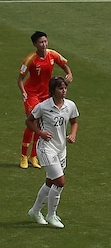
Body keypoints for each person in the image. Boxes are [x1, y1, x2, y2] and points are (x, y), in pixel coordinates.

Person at [26, 77, 79, 229]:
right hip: (46, 148)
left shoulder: (70, 105)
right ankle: (51, 215)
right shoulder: (43, 107)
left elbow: (74, 121)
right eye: (60, 88)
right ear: (53, 90)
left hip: (61, 149)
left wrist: (73, 134)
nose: (64, 91)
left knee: (50, 182)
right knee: (60, 182)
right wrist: (40, 132)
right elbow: (29, 121)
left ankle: (35, 211)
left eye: (65, 88)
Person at [18, 31, 74, 170]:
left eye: (45, 41)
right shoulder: (30, 59)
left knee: (42, 125)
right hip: (32, 94)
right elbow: (20, 79)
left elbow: (64, 64)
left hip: (46, 94)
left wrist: (69, 73)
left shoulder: (52, 55)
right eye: (41, 42)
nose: (44, 44)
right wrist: (24, 92)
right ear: (35, 44)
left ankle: (33, 156)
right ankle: (23, 156)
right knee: (32, 123)